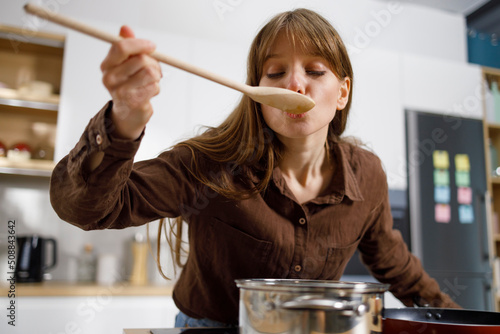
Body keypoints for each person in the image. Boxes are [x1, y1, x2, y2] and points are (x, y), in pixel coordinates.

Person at [50, 8, 460, 328]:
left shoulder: (368, 175)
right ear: (258, 92)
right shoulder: (209, 162)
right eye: (275, 72)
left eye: (315, 71)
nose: (293, 85)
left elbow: (399, 269)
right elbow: (87, 209)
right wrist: (125, 117)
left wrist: (462, 324)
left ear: (342, 93)